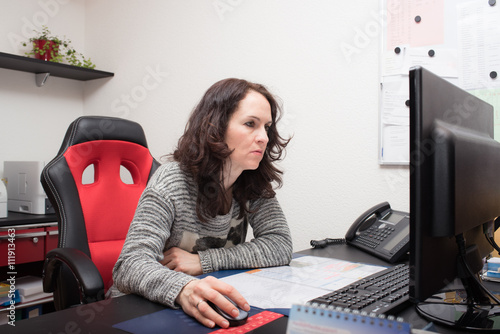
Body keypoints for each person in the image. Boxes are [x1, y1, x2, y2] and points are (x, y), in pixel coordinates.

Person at [111, 78, 292, 329]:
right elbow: (129, 266)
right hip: (142, 309)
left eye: (267, 127)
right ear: (215, 128)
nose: (263, 137)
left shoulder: (253, 182)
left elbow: (279, 244)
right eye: (250, 124)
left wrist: (203, 261)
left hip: (210, 302)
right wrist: (184, 287)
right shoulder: (172, 180)